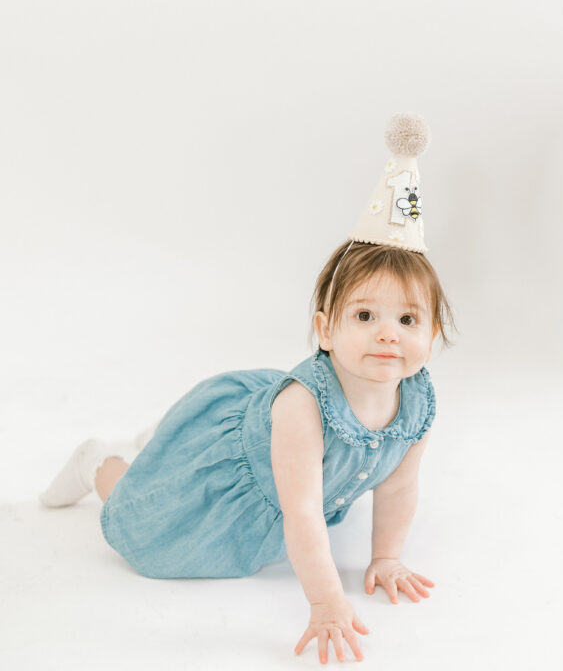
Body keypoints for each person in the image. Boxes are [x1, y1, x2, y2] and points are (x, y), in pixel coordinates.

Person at [39, 113, 457, 664]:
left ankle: (160, 446)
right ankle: (104, 464)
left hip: (280, 470)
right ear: (326, 329)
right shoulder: (302, 409)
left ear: (432, 334)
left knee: (182, 473)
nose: (387, 333)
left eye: (408, 320)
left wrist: (387, 556)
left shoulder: (417, 404)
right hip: (251, 471)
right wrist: (327, 600)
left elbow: (399, 487)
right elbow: (303, 511)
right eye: (364, 314)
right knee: (150, 537)